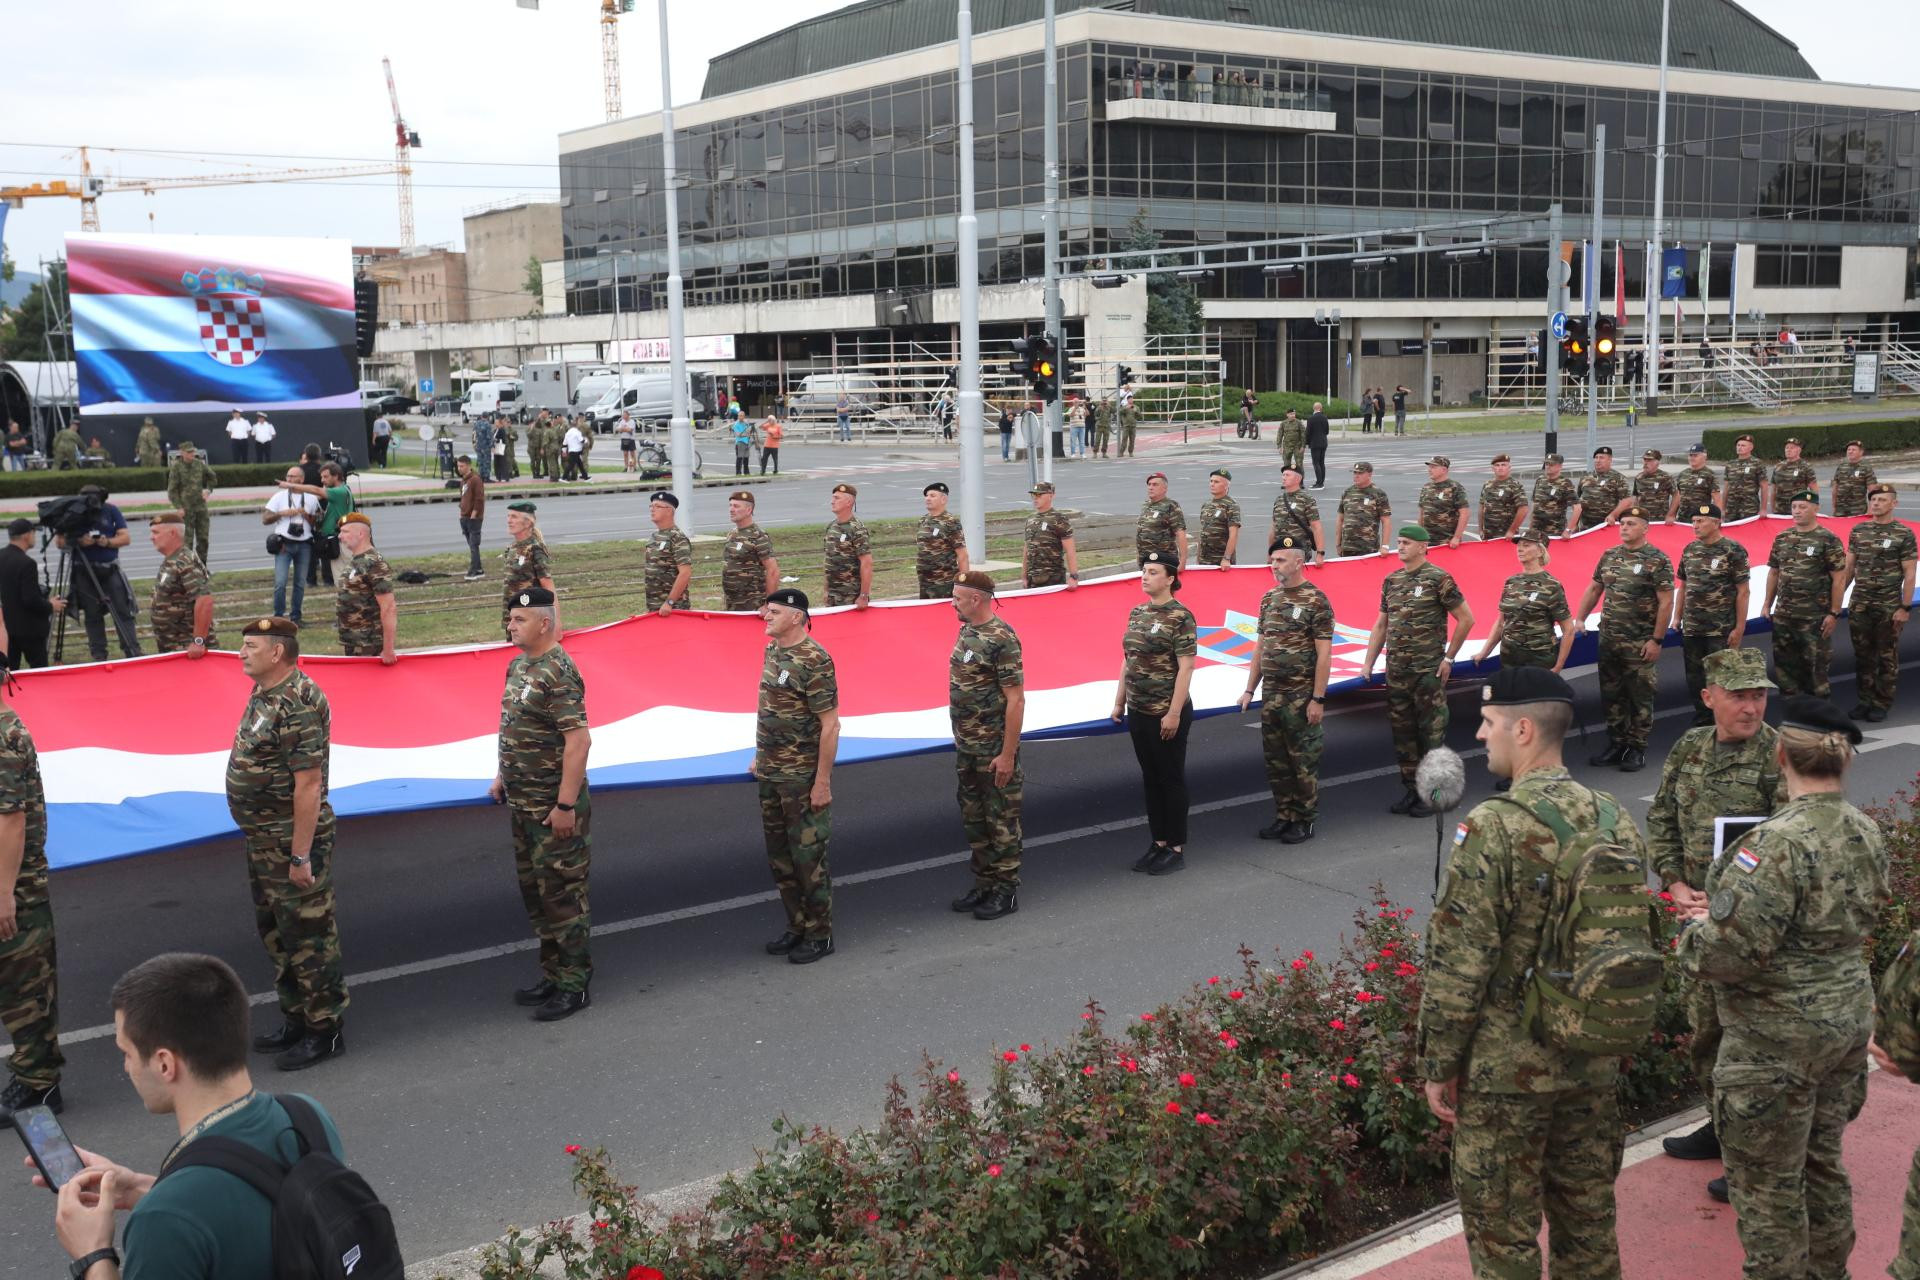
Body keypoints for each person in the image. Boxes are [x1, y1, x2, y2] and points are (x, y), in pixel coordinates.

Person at [1419, 664, 1649, 1280]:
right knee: (1588, 1227)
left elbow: (1460, 963)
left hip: (1507, 1074)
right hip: (1591, 1059)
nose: (1480, 735)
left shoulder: (1494, 826)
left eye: (1488, 722)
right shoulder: (1613, 817)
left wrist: (1438, 1064)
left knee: (1504, 1239)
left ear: (1523, 730)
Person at [1677, 697, 1888, 1254]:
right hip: (1845, 1025)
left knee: (1767, 1190)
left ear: (1780, 756)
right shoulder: (1865, 830)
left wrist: (1693, 933)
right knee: (1822, 1165)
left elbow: (1727, 955)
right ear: (1844, 760)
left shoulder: (1773, 843)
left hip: (1776, 1039)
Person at [36, 954, 368, 1280]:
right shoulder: (307, 1115)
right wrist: (136, 1186)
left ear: (165, 1064)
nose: (126, 1067)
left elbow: (198, 1215)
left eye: (127, 1053)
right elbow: (249, 1215)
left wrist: (92, 1254)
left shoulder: (163, 1220)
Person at [1647, 647, 1781, 1168]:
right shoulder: (1690, 749)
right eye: (1739, 695)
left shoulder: (1778, 756)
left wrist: (1729, 903)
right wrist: (1676, 883)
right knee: (1705, 1034)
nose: (1751, 707)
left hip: (1751, 928)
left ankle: (1753, 1157)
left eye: (1758, 695)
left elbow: (1788, 852)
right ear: (1709, 697)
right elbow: (1663, 819)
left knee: (1751, 1043)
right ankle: (1722, 1126)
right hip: (1695, 922)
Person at [227, 616, 348, 1070]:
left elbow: (308, 784)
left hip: (289, 841)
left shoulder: (296, 701)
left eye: (250, 645)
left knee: (308, 937)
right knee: (279, 934)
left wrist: (300, 854)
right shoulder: (266, 694)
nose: (241, 652)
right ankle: (296, 1016)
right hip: (265, 839)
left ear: (277, 652)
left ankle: (325, 1030)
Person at [492, 586, 593, 1020]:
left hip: (553, 807)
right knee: (537, 895)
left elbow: (578, 741)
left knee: (562, 897)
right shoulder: (519, 665)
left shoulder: (558, 671)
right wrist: (503, 773)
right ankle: (553, 973)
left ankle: (574, 984)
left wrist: (565, 806)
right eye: (511, 619)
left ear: (544, 623)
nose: (510, 625)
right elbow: (514, 724)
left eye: (519, 619)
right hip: (524, 802)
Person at [1362, 526, 1474, 815]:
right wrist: (1368, 662)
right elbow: (1381, 625)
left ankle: (1433, 796)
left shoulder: (1438, 578)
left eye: (1407, 542)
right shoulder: (1392, 580)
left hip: (1427, 673)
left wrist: (1449, 658)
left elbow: (1466, 619)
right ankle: (1413, 791)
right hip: (1397, 672)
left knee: (1431, 738)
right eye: (1399, 542)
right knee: (1404, 737)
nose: (1400, 546)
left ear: (1423, 547)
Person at [755, 588, 839, 964]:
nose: (765, 616)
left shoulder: (815, 659)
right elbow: (771, 708)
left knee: (808, 860)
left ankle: (820, 934)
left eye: (773, 612)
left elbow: (830, 725)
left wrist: (821, 782)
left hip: (800, 777)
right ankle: (797, 925)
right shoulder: (773, 651)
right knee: (781, 858)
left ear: (796, 617)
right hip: (771, 773)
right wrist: (761, 755)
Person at [1238, 535, 1331, 843]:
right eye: (1273, 560)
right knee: (1276, 761)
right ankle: (1284, 815)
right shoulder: (1269, 598)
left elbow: (1324, 654)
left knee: (1302, 761)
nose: (1274, 565)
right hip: (1272, 694)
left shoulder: (1316, 600)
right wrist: (1250, 689)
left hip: (1300, 696)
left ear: (1298, 562)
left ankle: (1304, 820)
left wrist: (1318, 698)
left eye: (1280, 560)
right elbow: (1260, 647)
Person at [1113, 550, 1196, 875]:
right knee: (1150, 778)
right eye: (1144, 571)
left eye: (1153, 572)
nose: (1145, 577)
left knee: (1170, 778)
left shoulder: (1181, 616)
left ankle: (1175, 847)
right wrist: (1119, 701)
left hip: (1166, 711)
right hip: (1139, 709)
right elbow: (1128, 660)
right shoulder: (1137, 612)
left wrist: (1174, 713)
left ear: (1170, 578)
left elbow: (1186, 667)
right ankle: (1158, 841)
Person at [947, 571, 1025, 919]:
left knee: (1001, 822)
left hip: (993, 750)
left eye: (957, 598)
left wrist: (1007, 754)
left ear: (975, 599)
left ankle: (1006, 892)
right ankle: (984, 884)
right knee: (975, 821)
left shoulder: (1002, 638)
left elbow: (1016, 700)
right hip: (968, 748)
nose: (953, 604)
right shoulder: (967, 631)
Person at [0, 669, 59, 1125]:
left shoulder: (4, 736)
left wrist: (4, 893)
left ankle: (39, 1085)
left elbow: (11, 820)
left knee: (25, 983)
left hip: (14, 883)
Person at [1575, 507, 1674, 772]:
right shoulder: (1610, 555)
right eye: (1623, 523)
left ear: (1645, 528)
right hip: (1609, 639)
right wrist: (1580, 618)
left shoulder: (1657, 560)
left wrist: (1657, 640)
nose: (1625, 527)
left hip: (1639, 641)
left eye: (1631, 523)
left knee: (1640, 695)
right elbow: (1595, 588)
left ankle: (1636, 748)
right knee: (1612, 694)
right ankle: (1617, 743)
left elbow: (1666, 602)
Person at [1844, 483, 1916, 721]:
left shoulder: (1903, 534)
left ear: (1894, 503)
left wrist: (1905, 607)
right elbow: (1849, 568)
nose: (1876, 503)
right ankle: (1864, 700)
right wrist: (1836, 600)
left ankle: (1881, 702)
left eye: (1882, 500)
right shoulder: (1859, 530)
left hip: (1888, 605)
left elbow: (1910, 574)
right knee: (1863, 655)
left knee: (1886, 656)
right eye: (1873, 499)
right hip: (1860, 604)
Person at [1673, 503, 1750, 725]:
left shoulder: (1733, 550)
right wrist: (1677, 617)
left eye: (1701, 521)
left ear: (1716, 523)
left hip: (1721, 629)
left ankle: (1728, 722)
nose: (1695, 525)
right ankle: (1704, 720)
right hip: (1693, 628)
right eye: (1693, 521)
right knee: (1695, 679)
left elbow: (1743, 592)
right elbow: (1683, 587)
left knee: (1723, 678)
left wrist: (1739, 628)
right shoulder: (1690, 549)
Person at [1764, 490, 1846, 697]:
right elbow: (1774, 572)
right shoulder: (1782, 538)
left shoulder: (1828, 539)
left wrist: (1834, 612)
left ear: (1816, 509)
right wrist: (1767, 604)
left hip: (1814, 617)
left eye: (1803, 507)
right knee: (1785, 671)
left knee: (1815, 671)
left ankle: (1818, 714)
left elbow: (1839, 578)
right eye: (1794, 507)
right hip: (1784, 615)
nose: (1797, 511)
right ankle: (1793, 712)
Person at [52, 484, 141, 663]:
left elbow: (125, 538)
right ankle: (99, 655)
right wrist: (78, 541)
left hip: (109, 568)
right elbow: (59, 542)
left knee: (122, 611)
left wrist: (107, 542)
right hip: (83, 570)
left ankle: (132, 651)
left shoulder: (111, 510)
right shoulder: (73, 512)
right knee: (92, 614)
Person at [1482, 528, 1575, 674]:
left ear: (1540, 551)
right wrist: (1484, 653)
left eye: (1526, 545)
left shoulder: (1551, 585)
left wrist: (1559, 666)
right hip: (1509, 658)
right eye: (1519, 545)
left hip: (1539, 660)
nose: (1520, 549)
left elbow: (1568, 629)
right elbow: (1501, 623)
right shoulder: (1511, 582)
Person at [146, 512, 215, 657]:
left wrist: (198, 641)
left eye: (156, 532)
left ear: (172, 533)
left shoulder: (185, 561)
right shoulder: (172, 559)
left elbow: (204, 601)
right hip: (174, 647)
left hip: (188, 648)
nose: (151, 537)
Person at [260, 466, 320, 624]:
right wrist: (281, 513)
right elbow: (265, 519)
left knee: (300, 583)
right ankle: (279, 617)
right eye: (288, 476)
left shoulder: (311, 498)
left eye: (293, 476)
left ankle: (296, 617)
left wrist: (307, 515)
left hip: (304, 545)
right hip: (284, 545)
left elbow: (317, 523)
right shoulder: (279, 497)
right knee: (280, 583)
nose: (289, 479)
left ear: (302, 479)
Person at [335, 514, 396, 664]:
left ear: (361, 534)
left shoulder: (374, 563)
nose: (340, 536)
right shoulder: (357, 561)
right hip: (355, 643)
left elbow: (389, 607)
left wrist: (388, 649)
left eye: (345, 532)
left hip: (369, 644)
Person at [283, 463, 351, 590]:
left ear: (336, 476)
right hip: (332, 537)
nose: (322, 480)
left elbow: (317, 490)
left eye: (325, 477)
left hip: (337, 539)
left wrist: (292, 485)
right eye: (321, 477)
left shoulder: (338, 492)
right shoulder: (343, 489)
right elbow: (318, 495)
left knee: (341, 579)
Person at [0, 519, 56, 670]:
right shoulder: (27, 563)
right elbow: (31, 599)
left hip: (6, 627)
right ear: (26, 535)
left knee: (10, 671)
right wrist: (51, 605)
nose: (34, 537)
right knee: (39, 671)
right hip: (29, 629)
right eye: (33, 533)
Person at [500, 502, 557, 636]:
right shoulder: (511, 548)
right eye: (508, 516)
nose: (509, 520)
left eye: (514, 517)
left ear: (527, 523)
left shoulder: (535, 549)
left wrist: (555, 623)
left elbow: (548, 586)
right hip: (512, 619)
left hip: (529, 621)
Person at [722, 491, 780, 610]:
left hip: (753, 604)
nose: (731, 509)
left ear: (748, 510)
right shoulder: (732, 534)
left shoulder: (758, 536)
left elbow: (773, 571)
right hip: (733, 603)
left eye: (736, 506)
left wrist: (768, 604)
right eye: (730, 505)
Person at [165, 441, 217, 566]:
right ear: (182, 453)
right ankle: (187, 568)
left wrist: (208, 490)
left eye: (193, 451)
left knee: (203, 539)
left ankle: (201, 567)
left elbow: (212, 477)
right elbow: (172, 490)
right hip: (186, 510)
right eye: (189, 452)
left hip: (200, 508)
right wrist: (178, 507)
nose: (192, 454)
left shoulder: (199, 464)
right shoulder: (176, 468)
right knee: (187, 542)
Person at [822, 483, 872, 609]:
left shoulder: (857, 529)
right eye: (833, 498)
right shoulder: (831, 526)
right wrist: (826, 590)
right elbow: (828, 561)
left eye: (837, 498)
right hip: (833, 596)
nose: (832, 501)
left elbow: (866, 563)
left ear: (849, 502)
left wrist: (864, 595)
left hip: (851, 597)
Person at [916, 482, 969, 599]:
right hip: (925, 583)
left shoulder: (950, 522)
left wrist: (964, 584)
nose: (927, 498)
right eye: (927, 496)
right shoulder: (923, 520)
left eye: (932, 496)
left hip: (944, 584)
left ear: (943, 499)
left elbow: (963, 555)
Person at [643, 491, 693, 616]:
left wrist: (669, 602)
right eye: (651, 506)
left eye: (657, 506)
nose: (652, 509)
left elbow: (685, 573)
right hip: (655, 606)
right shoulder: (654, 537)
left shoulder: (677, 538)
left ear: (669, 511)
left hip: (673, 608)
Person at [1022, 482, 1078, 589]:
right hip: (1032, 579)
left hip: (1053, 579)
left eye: (1039, 495)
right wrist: (1024, 576)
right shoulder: (1030, 519)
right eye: (1033, 495)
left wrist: (1073, 576)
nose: (1035, 498)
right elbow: (1026, 548)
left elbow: (1070, 549)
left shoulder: (1059, 519)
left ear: (1051, 496)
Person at [1267, 466, 1325, 566]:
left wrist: (1320, 553)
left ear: (1298, 479)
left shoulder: (1307, 499)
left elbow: (1316, 527)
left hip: (1299, 550)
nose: (1284, 478)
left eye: (1287, 475)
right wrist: (1270, 552)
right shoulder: (1279, 499)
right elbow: (1273, 528)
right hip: (1279, 550)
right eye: (1283, 475)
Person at [1335, 461, 1391, 556]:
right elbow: (1340, 519)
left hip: (1368, 548)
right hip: (1347, 547)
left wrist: (1385, 546)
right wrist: (1338, 544)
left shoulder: (1378, 494)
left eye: (1360, 473)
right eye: (1355, 472)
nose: (1356, 476)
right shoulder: (1347, 492)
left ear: (1369, 474)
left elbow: (1386, 521)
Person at [1134, 471, 1188, 569]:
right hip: (1145, 560)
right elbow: (1141, 532)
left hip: (1163, 561)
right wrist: (1138, 556)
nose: (1150, 487)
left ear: (1164, 488)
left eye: (1155, 485)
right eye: (1149, 484)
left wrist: (1183, 561)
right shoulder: (1146, 505)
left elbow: (1180, 533)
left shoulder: (1171, 506)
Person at [1416, 456, 1471, 549]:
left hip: (1446, 541)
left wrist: (1457, 537)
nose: (1429, 470)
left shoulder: (1455, 487)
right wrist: (1419, 535)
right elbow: (1422, 513)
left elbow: (1464, 514)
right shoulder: (1426, 487)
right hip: (1427, 540)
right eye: (1429, 467)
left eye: (1433, 467)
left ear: (1444, 470)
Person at [1574, 446, 1630, 531]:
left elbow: (1627, 501)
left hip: (1607, 526)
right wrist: (1574, 524)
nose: (1598, 460)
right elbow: (1578, 503)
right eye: (1596, 458)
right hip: (1586, 527)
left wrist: (1613, 515)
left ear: (1610, 460)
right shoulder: (1585, 478)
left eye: (1601, 458)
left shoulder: (1618, 478)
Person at [1476, 453, 1529, 541]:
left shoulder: (1515, 485)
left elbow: (1523, 509)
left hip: (1506, 535)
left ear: (1509, 467)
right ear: (1493, 468)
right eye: (1497, 465)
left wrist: (1512, 531)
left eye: (1503, 465)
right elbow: (1482, 507)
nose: (1500, 468)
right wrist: (1480, 529)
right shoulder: (1487, 485)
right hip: (1488, 534)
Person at [1197, 468, 1241, 568]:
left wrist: (1226, 558)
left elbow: (1233, 535)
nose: (1212, 484)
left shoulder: (1231, 505)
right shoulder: (1206, 505)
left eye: (1216, 482)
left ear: (1226, 485)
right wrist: (1198, 558)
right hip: (1204, 560)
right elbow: (1203, 532)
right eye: (1211, 481)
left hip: (1221, 562)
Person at [1529, 453, 1578, 539]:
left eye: (1551, 464)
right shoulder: (1540, 480)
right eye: (1546, 464)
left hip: (1555, 532)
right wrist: (1530, 526)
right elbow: (1535, 504)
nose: (1548, 467)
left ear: (1560, 466)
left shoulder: (1565, 483)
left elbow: (1577, 508)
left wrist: (1569, 530)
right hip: (1536, 531)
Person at [1669, 443, 1720, 523]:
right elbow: (1678, 496)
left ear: (1704, 457)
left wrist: (1718, 518)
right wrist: (1671, 515)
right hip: (1682, 519)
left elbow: (1717, 498)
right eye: (1690, 455)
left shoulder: (1710, 475)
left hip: (1700, 519)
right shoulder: (1683, 474)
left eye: (1695, 455)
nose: (1692, 458)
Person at [1723, 434, 1768, 522]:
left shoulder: (1757, 463)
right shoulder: (1730, 464)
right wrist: (1722, 508)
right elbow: (1726, 488)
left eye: (1743, 445)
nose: (1740, 448)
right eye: (1738, 445)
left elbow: (1764, 486)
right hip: (1731, 508)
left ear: (1751, 447)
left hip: (1749, 507)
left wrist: (1763, 509)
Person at [457, 455, 486, 581]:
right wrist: (461, 513)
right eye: (458, 466)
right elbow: (463, 497)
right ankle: (479, 569)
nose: (459, 468)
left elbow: (479, 499)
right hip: (464, 517)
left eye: (462, 466)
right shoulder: (463, 480)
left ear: (468, 466)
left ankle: (473, 570)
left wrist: (473, 515)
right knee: (472, 546)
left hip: (474, 518)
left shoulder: (475, 479)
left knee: (474, 545)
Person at [1770, 437, 1818, 514]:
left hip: (1798, 510)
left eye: (1792, 448)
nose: (1788, 450)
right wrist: (1772, 508)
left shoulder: (1806, 467)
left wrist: (1814, 507)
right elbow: (1773, 489)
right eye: (1787, 448)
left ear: (1799, 450)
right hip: (1779, 510)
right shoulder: (1778, 467)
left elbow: (1814, 489)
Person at [1830, 440, 1875, 517]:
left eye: (1854, 450)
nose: (1850, 452)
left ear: (1861, 452)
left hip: (1858, 511)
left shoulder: (1866, 468)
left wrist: (1870, 509)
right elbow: (1835, 488)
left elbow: (1873, 491)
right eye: (1849, 450)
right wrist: (1834, 506)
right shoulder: (1841, 466)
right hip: (1840, 511)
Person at [1632, 449, 1675, 517]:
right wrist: (1635, 514)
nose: (1646, 463)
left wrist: (1671, 514)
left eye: (1649, 460)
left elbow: (1676, 496)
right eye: (1645, 459)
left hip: (1660, 519)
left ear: (1657, 462)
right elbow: (1635, 497)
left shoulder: (1665, 477)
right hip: (1643, 517)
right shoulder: (1639, 477)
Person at [1305, 401, 1330, 488]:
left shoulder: (1311, 418)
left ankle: (1319, 483)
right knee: (1321, 462)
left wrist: (1306, 442)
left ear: (1314, 408)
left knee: (1316, 463)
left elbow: (1308, 432)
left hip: (1315, 443)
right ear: (1321, 408)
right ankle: (1322, 481)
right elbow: (1327, 431)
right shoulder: (1324, 417)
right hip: (1323, 442)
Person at [1278, 409, 1306, 474]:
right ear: (1287, 415)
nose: (1293, 415)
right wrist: (1279, 446)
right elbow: (1279, 435)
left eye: (1294, 414)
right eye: (1291, 414)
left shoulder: (1299, 423)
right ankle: (1288, 478)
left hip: (1297, 446)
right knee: (1286, 464)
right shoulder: (1283, 423)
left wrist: (1303, 446)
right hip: (1287, 447)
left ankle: (1300, 479)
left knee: (1299, 464)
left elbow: (1303, 435)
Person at [1117, 380, 1138, 456]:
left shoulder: (1135, 406)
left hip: (1133, 425)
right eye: (1130, 399)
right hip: (1126, 425)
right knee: (1124, 439)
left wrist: (1136, 411)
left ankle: (1130, 452)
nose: (1131, 400)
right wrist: (1126, 408)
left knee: (1132, 440)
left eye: (1132, 399)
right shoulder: (1121, 391)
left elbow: (1139, 415)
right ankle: (1121, 452)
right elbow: (1120, 411)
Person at [474, 414, 496, 484]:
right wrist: (492, 445)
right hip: (486, 446)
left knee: (480, 462)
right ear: (488, 417)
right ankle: (486, 477)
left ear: (481, 416)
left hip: (479, 446)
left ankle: (481, 477)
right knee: (486, 462)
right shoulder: (487, 424)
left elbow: (475, 434)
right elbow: (489, 436)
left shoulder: (476, 424)